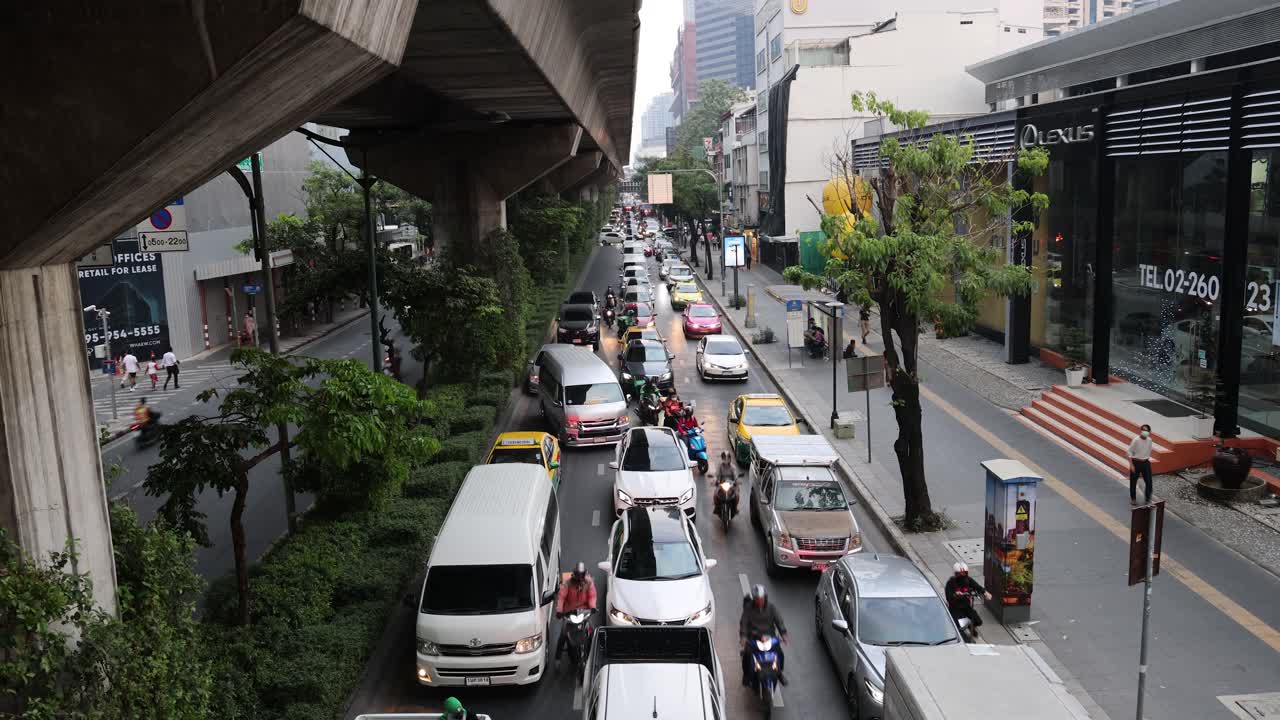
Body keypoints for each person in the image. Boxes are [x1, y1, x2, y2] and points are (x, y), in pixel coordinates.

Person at [739, 584, 788, 686]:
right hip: (754, 637)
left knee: (780, 653)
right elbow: (743, 623)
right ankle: (746, 675)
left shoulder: (771, 608)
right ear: (754, 599)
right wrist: (743, 637)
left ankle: (779, 673)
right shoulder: (748, 609)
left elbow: (779, 620)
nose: (759, 601)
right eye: (757, 599)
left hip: (769, 637)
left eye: (761, 598)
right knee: (747, 655)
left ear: (765, 598)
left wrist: (783, 633)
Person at [554, 562, 597, 662]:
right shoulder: (567, 583)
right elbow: (561, 598)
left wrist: (592, 607)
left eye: (582, 576)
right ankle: (557, 658)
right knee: (563, 634)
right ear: (575, 575)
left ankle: (594, 655)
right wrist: (559, 611)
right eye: (579, 576)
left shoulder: (589, 583)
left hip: (584, 612)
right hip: (570, 613)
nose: (580, 579)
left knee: (593, 631)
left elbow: (592, 596)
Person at [944, 562, 991, 632]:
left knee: (978, 621)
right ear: (955, 574)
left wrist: (985, 593)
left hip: (966, 607)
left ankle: (970, 626)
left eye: (964, 573)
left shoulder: (968, 580)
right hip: (955, 608)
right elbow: (948, 597)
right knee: (958, 627)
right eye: (959, 574)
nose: (962, 575)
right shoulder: (950, 583)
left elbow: (977, 586)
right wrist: (955, 595)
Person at [1128, 423, 1154, 504]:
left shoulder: (1149, 440)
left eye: (1146, 431)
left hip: (1145, 462)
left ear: (1149, 432)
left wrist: (1147, 460)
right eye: (1143, 430)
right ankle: (1133, 498)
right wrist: (1131, 465)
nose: (1144, 432)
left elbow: (1149, 450)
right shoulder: (1136, 440)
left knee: (1149, 481)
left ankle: (1147, 498)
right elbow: (1129, 452)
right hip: (1136, 462)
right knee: (1133, 481)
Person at [713, 451, 739, 517]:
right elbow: (717, 474)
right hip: (722, 484)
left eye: (727, 458)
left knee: (737, 494)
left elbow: (735, 476)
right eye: (724, 458)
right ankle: (716, 507)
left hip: (731, 484)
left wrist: (736, 481)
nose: (726, 460)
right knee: (715, 494)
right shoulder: (720, 466)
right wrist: (715, 479)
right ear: (722, 459)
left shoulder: (733, 467)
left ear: (730, 459)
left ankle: (735, 507)